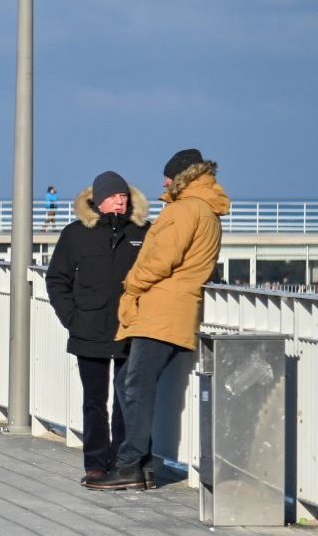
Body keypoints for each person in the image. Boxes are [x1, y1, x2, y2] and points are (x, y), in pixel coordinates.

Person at [87, 149, 228, 491]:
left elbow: (162, 258)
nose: (163, 184)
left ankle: (130, 465)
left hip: (162, 309)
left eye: (167, 178)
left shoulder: (185, 209)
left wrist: (132, 284)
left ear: (182, 177)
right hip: (175, 308)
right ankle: (144, 465)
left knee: (134, 384)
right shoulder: (206, 209)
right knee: (129, 383)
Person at [45, 171, 149, 483]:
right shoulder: (76, 233)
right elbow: (57, 279)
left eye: (124, 195)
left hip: (129, 329)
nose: (121, 201)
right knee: (94, 401)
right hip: (88, 329)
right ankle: (95, 463)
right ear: (99, 200)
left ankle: (122, 462)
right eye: (114, 196)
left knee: (126, 400)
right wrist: (72, 318)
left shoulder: (143, 232)